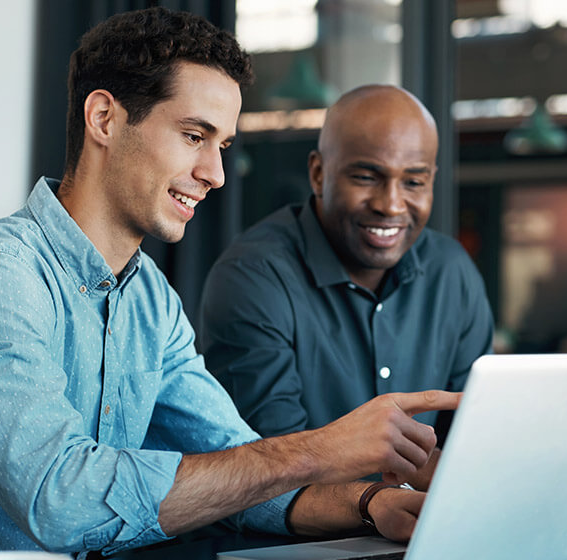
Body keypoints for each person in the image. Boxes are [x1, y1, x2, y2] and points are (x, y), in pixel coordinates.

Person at [0, 10, 457, 560]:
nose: (215, 173)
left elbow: (238, 469)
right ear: (105, 119)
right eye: (194, 136)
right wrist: (317, 449)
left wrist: (373, 505)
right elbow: (62, 500)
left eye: (222, 144)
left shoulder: (149, 302)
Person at [198, 85, 493, 456]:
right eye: (367, 178)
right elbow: (270, 466)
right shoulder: (253, 276)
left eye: (414, 182)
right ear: (319, 174)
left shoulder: (451, 271)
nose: (391, 205)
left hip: (426, 513)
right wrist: (380, 503)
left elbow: (476, 437)